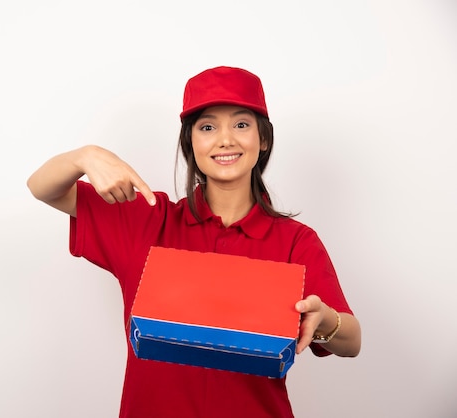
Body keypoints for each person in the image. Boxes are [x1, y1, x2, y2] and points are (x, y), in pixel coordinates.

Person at [27, 66, 361, 418]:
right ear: (191, 143)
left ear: (263, 139)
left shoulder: (296, 241)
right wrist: (85, 156)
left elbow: (352, 342)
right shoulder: (147, 220)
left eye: (242, 124)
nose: (225, 139)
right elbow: (42, 187)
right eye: (207, 127)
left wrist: (324, 320)